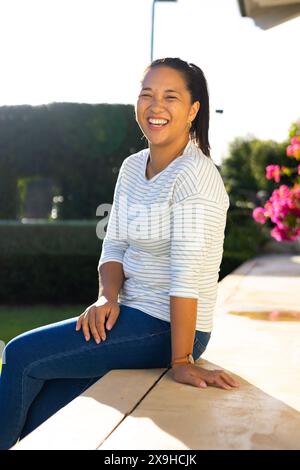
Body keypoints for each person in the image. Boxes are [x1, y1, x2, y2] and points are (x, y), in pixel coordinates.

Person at [0, 57, 239, 450]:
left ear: (193, 110)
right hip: (129, 316)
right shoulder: (132, 167)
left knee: (20, 354)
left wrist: (181, 360)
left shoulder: (196, 177)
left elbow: (186, 275)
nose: (155, 106)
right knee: (45, 402)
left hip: (172, 327)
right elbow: (114, 244)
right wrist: (107, 297)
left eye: (170, 96)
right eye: (147, 94)